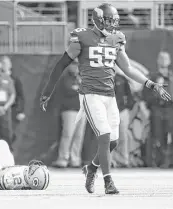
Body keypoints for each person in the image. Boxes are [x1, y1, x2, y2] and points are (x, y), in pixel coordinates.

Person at [40, 3, 171, 195]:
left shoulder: (116, 39)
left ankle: (91, 169)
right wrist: (47, 91)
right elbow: (61, 65)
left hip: (110, 96)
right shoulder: (82, 37)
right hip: (90, 94)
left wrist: (151, 84)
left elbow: (128, 69)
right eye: (109, 21)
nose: (112, 25)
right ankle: (108, 181)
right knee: (105, 135)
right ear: (98, 19)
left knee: (114, 142)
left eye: (114, 21)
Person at [51, 63, 87, 168]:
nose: (76, 67)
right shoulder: (65, 78)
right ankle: (63, 159)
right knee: (68, 134)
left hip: (82, 110)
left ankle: (75, 159)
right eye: (73, 65)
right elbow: (68, 90)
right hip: (69, 110)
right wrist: (79, 88)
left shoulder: (82, 77)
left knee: (79, 136)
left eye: (77, 65)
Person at [143, 51, 173, 168]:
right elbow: (145, 94)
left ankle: (169, 161)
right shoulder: (152, 77)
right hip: (157, 109)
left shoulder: (171, 76)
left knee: (170, 135)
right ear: (157, 60)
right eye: (161, 58)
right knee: (157, 135)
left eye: (166, 58)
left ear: (170, 61)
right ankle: (157, 161)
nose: (163, 60)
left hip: (170, 109)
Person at [111, 71, 134, 168]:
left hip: (122, 110)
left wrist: (128, 106)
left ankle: (124, 160)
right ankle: (110, 160)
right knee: (110, 137)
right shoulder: (102, 77)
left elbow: (129, 94)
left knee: (123, 136)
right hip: (109, 111)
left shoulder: (122, 78)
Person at [1, 56, 26, 144]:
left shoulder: (15, 79)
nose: (4, 65)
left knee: (10, 133)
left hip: (12, 110)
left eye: (6, 63)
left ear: (10, 65)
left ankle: (9, 152)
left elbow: (21, 96)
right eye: (2, 63)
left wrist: (21, 111)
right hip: (0, 111)